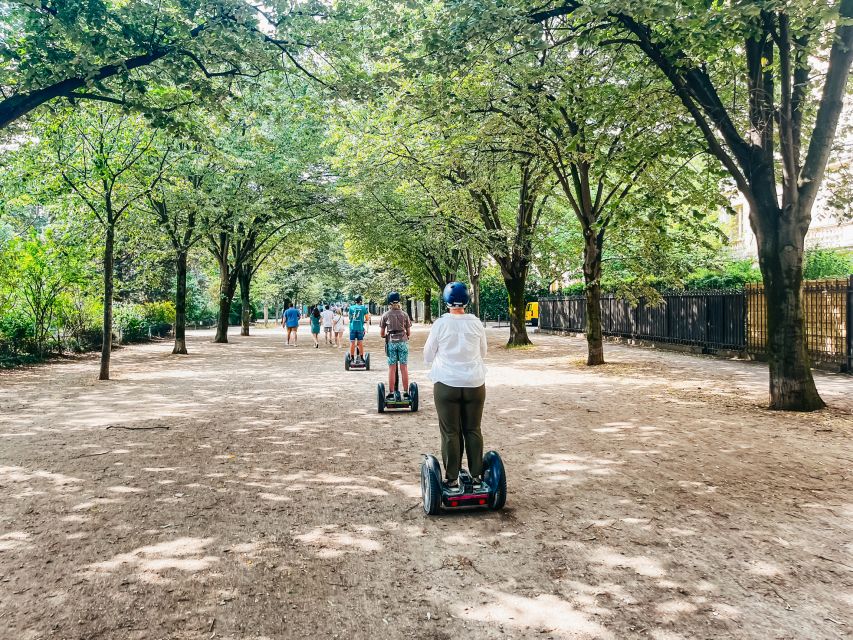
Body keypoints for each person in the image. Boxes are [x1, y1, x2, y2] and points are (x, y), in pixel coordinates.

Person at [423, 282, 488, 489]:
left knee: (450, 431)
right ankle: (477, 476)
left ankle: (451, 478)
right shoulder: (476, 323)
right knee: (473, 428)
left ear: (446, 301)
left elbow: (427, 355)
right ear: (467, 300)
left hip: (446, 383)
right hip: (475, 383)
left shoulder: (440, 324)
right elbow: (483, 352)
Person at [380, 291, 412, 401]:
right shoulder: (404, 314)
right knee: (404, 367)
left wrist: (386, 335)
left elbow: (382, 334)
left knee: (392, 368)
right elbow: (409, 332)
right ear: (399, 301)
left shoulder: (386, 315)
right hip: (403, 342)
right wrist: (405, 335)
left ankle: (392, 392)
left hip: (391, 342)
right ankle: (406, 392)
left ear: (389, 302)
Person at [348, 295, 370, 363]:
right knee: (360, 343)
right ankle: (361, 358)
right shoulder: (363, 308)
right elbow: (367, 318)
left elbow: (350, 318)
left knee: (352, 343)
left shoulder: (351, 308)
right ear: (360, 301)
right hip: (360, 328)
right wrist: (362, 320)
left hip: (352, 327)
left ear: (355, 301)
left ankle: (351, 358)